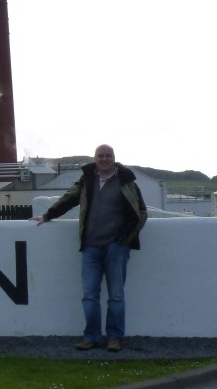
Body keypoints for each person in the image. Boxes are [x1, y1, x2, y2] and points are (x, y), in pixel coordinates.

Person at [30, 144, 147, 352]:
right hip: (90, 247)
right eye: (100, 156)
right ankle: (91, 336)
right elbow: (69, 198)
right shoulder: (87, 180)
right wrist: (47, 216)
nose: (104, 159)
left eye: (107, 156)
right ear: (95, 158)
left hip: (116, 247)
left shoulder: (127, 181)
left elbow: (141, 213)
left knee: (116, 296)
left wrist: (126, 238)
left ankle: (114, 337)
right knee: (89, 296)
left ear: (114, 157)